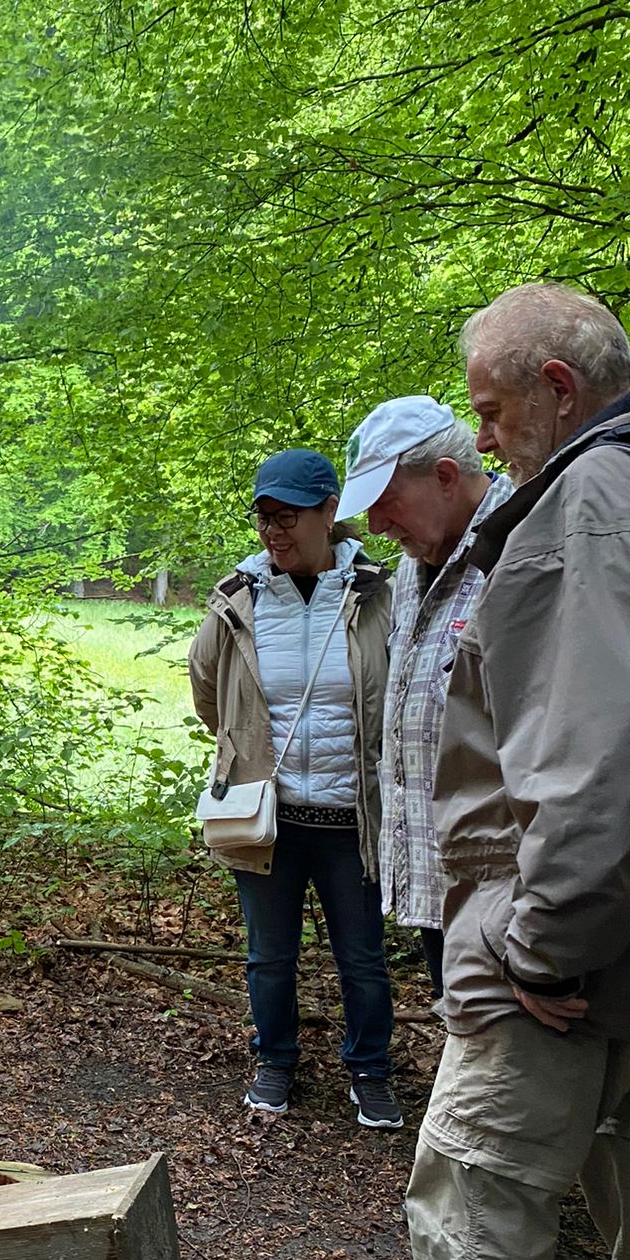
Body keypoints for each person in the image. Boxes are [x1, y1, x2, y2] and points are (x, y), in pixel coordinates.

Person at [295, 283, 630, 1260]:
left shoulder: (593, 505)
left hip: (583, 948)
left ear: (557, 392)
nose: (490, 438)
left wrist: (544, 942)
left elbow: (603, 745)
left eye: (494, 412)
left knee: (477, 1174)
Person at [188, 448, 400, 1129]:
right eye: (264, 518)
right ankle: (275, 1060)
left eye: (288, 517)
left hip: (350, 814)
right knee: (269, 957)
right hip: (267, 816)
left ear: (329, 511)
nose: (274, 531)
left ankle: (370, 1071)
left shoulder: (375, 593)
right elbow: (207, 690)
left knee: (363, 960)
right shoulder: (239, 598)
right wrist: (246, 746)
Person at [336, 395, 514, 1000]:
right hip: (437, 887)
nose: (379, 526)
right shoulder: (414, 570)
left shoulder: (520, 553)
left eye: (387, 503)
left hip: (510, 903)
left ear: (444, 476)